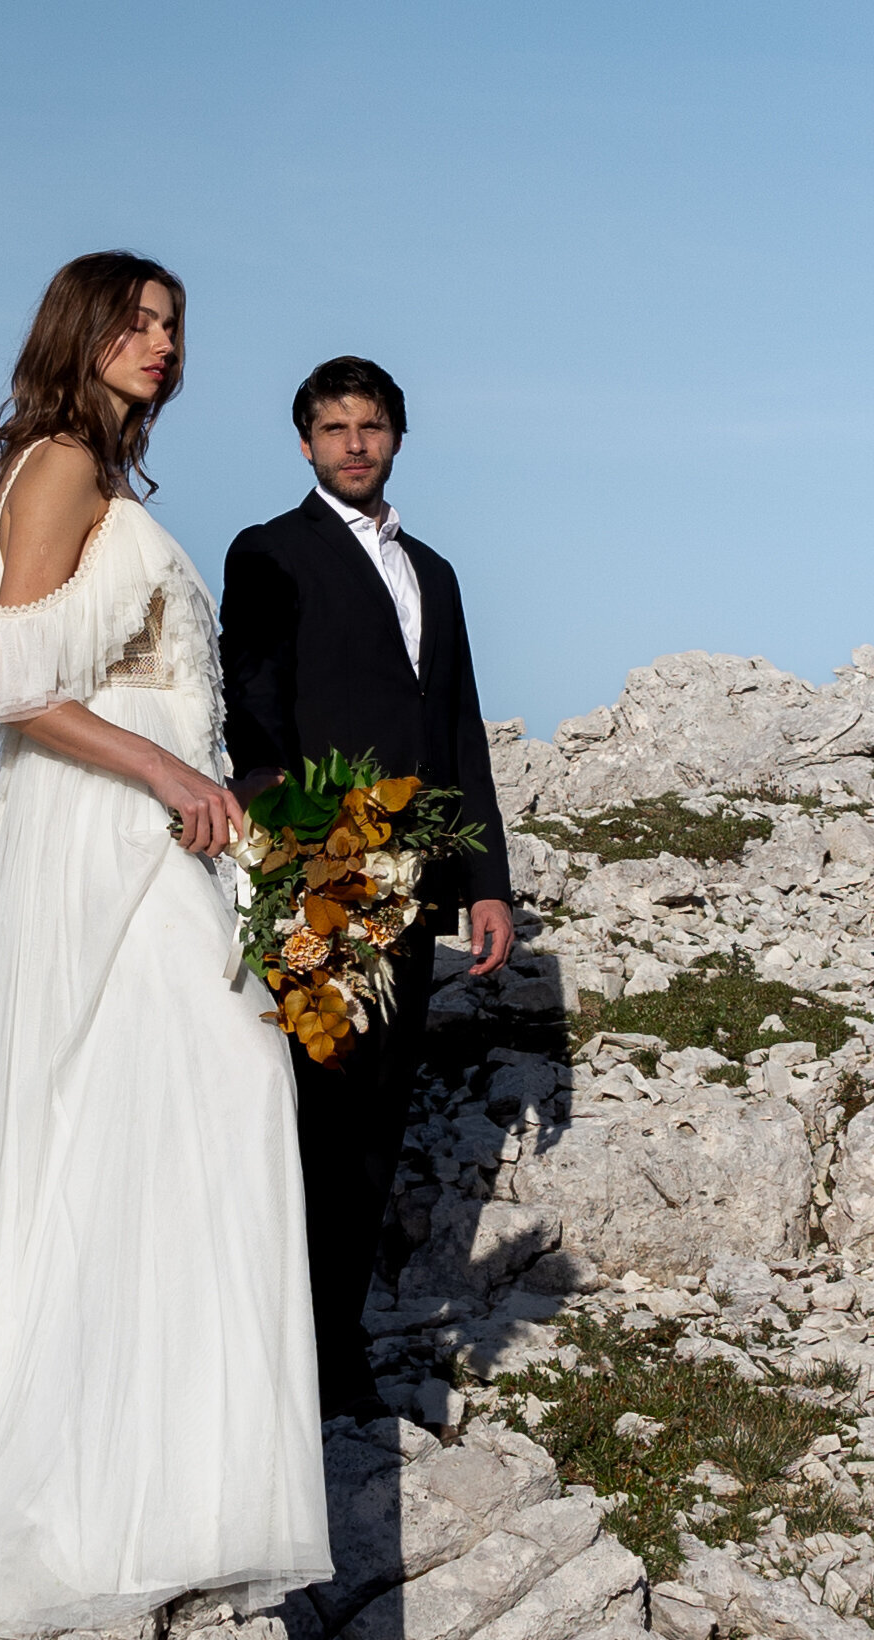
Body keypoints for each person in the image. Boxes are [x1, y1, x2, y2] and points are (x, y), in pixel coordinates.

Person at [0, 253, 332, 1636]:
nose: (159, 345)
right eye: (135, 323)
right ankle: (83, 1494)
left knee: (175, 1110)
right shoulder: (58, 465)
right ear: (78, 334)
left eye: (172, 328)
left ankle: (165, 1484)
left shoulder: (105, 479)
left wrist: (219, 797)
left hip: (157, 828)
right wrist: (161, 778)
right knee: (215, 1087)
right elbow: (3, 684)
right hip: (101, 833)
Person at [220, 356, 515, 1423]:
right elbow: (251, 716)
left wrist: (485, 881)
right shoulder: (269, 552)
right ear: (304, 442)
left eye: (372, 425)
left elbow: (457, 730)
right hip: (321, 877)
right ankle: (300, 1354)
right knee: (315, 1117)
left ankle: (334, 1344)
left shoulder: (433, 571)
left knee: (378, 1118)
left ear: (397, 437)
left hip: (415, 881)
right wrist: (305, 853)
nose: (354, 441)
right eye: (334, 426)